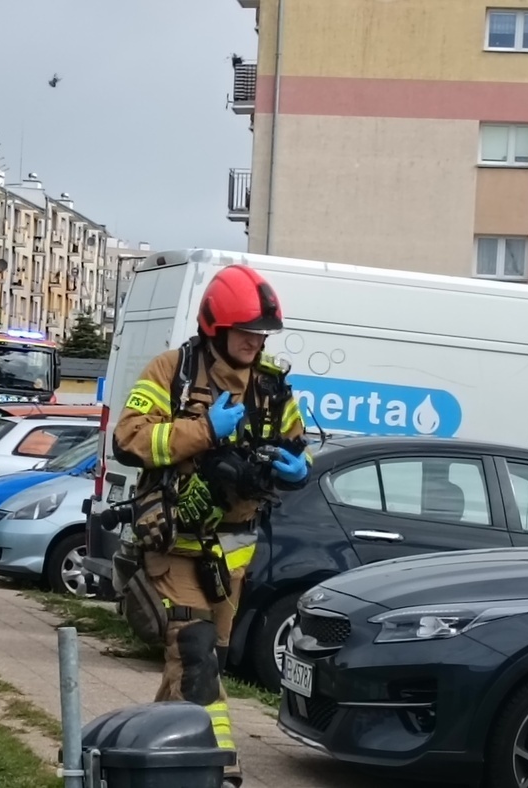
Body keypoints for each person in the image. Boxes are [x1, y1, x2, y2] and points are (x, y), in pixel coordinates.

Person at [111, 264, 313, 788]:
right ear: (216, 328)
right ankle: (218, 767)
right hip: (175, 539)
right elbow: (130, 440)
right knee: (195, 648)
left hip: (233, 553)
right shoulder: (171, 370)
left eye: (262, 332)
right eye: (246, 330)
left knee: (197, 663)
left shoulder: (271, 384)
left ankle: (144, 756)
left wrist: (297, 469)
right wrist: (203, 430)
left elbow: (295, 445)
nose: (254, 341)